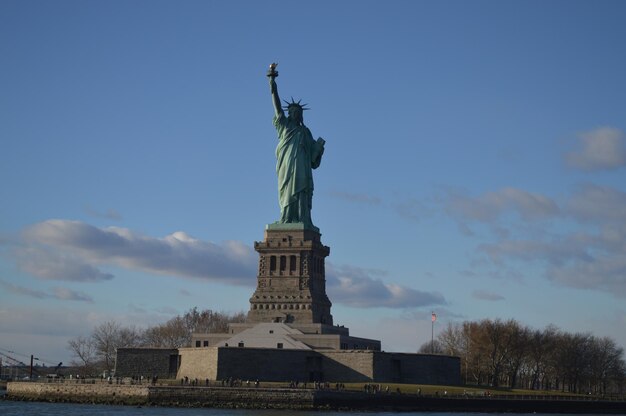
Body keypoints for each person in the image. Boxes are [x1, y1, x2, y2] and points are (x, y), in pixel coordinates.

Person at [268, 65, 325, 229]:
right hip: (287, 165)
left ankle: (303, 218)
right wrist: (272, 83)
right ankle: (286, 217)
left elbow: (313, 161)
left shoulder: (305, 132)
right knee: (287, 190)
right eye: (291, 112)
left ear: (300, 115)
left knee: (303, 190)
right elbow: (277, 105)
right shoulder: (284, 126)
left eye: (297, 112)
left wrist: (319, 149)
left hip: (302, 166)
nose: (294, 114)